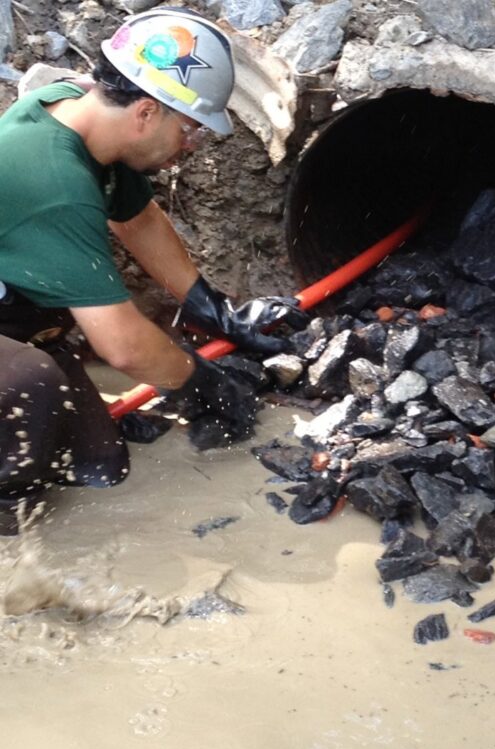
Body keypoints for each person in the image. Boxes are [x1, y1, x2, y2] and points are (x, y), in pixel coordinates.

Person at [0, 8, 308, 534]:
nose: (190, 146)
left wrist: (209, 307)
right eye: (189, 129)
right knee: (30, 389)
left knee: (100, 466)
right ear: (145, 113)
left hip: (16, 318)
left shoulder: (77, 114)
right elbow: (122, 345)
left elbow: (138, 220)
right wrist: (201, 384)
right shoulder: (52, 182)